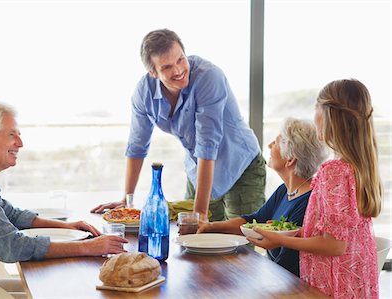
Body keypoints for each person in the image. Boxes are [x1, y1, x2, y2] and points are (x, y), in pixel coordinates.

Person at [0, 102, 127, 286]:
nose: (20, 143)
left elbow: (12, 215)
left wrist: (67, 228)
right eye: (11, 134)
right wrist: (87, 248)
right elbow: (10, 246)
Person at [91, 28, 266, 221]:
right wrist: (127, 199)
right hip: (198, 170)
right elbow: (137, 146)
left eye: (180, 59)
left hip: (240, 167)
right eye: (166, 67)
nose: (178, 70)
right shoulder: (144, 93)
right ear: (153, 72)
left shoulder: (209, 77)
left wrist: (199, 214)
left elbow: (207, 145)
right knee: (193, 244)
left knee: (239, 244)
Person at [248, 79, 382, 298]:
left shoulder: (335, 171)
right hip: (356, 281)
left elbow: (334, 246)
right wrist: (297, 232)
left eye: (316, 107)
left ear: (330, 115)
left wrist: (279, 239)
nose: (314, 115)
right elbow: (340, 234)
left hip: (334, 284)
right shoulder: (359, 166)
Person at [198, 118, 327, 276]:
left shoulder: (308, 202)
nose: (270, 145)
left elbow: (286, 264)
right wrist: (210, 227)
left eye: (276, 142)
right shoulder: (284, 190)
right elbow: (254, 220)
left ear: (290, 159)